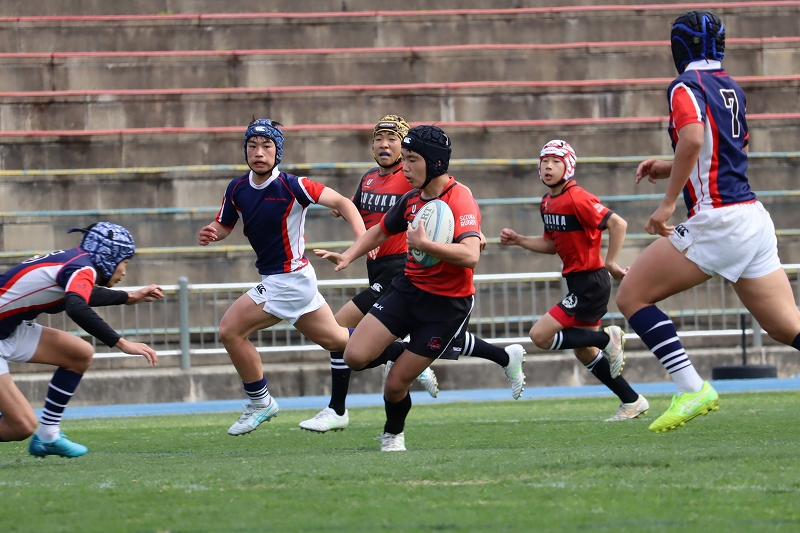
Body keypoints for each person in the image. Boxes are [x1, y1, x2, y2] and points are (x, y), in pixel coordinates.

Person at [615, 11, 800, 433]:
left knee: (632, 296)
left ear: (678, 46)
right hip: (752, 217)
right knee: (786, 326)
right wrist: (668, 167)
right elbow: (723, 150)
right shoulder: (731, 86)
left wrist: (667, 204)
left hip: (719, 220)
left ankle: (692, 388)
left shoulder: (685, 85)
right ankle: (693, 388)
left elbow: (694, 138)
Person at [300, 116, 526, 434]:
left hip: (445, 303)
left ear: (434, 163)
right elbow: (381, 229)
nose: (404, 167)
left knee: (394, 384)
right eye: (403, 159)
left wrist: (428, 244)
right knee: (354, 355)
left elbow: (471, 255)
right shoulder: (410, 197)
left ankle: (390, 433)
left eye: (411, 160)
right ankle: (411, 355)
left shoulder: (459, 197)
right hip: (407, 289)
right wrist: (349, 254)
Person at [198, 118, 371, 437]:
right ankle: (397, 350)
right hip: (290, 280)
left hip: (288, 280)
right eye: (252, 146)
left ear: (278, 152)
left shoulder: (293, 185)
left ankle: (260, 402)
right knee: (337, 340)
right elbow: (224, 225)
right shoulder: (236, 189)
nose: (258, 152)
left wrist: (361, 240)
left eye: (267, 146)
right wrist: (213, 232)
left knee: (230, 330)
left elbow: (342, 202)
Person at [501, 140, 649, 421]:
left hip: (590, 282)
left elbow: (618, 223)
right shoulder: (548, 202)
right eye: (544, 161)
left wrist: (611, 263)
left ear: (568, 167)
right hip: (580, 282)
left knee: (539, 336)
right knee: (584, 350)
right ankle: (631, 400)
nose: (548, 166)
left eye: (556, 161)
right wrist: (520, 240)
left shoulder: (577, 197)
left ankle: (607, 338)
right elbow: (550, 244)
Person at [0, 222, 162, 458]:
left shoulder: (78, 263)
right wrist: (122, 343)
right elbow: (76, 306)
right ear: (110, 256)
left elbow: (81, 294)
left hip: (8, 329)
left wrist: (128, 297)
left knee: (79, 353)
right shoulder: (82, 268)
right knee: (21, 426)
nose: (124, 272)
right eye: (125, 263)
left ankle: (48, 435)